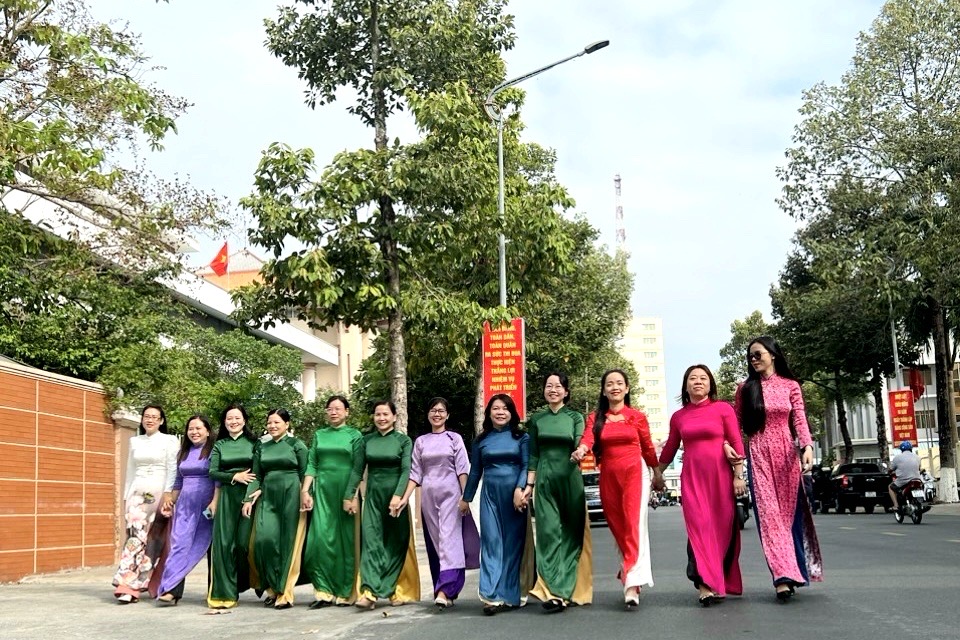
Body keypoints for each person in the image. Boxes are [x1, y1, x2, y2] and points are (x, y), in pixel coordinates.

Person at [735, 336, 823, 602]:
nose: (754, 360)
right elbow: (736, 425)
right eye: (750, 356)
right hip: (759, 453)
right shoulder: (745, 389)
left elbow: (799, 418)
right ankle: (782, 577)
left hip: (786, 454)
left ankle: (794, 569)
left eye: (758, 354)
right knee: (769, 517)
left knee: (788, 516)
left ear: (772, 354)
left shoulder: (790, 386)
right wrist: (735, 456)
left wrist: (807, 446)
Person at [657, 365, 745, 606]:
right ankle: (704, 584)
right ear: (685, 386)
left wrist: (738, 476)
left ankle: (718, 579)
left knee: (721, 529)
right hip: (693, 480)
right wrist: (657, 473)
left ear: (710, 384)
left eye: (703, 378)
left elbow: (736, 442)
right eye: (693, 378)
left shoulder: (723, 409)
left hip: (721, 478)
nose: (698, 381)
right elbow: (670, 447)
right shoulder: (679, 417)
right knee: (699, 528)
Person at [573, 369, 662, 609]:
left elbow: (647, 447)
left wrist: (657, 473)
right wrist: (581, 450)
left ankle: (631, 583)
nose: (615, 387)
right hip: (609, 475)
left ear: (626, 388)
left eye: (619, 383)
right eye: (610, 384)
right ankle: (632, 571)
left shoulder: (637, 416)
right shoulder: (596, 418)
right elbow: (588, 439)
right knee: (618, 526)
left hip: (635, 473)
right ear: (604, 390)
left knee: (633, 524)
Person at [397, 397, 479, 610]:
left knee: (450, 540)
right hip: (428, 497)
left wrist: (466, 496)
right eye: (433, 410)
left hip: (451, 496)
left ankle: (445, 590)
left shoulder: (454, 438)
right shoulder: (421, 441)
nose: (437, 414)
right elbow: (415, 473)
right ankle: (443, 591)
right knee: (436, 543)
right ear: (428, 414)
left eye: (441, 411)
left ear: (447, 415)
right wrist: (404, 498)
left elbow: (462, 469)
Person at [523, 372, 592, 612]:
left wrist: (579, 451)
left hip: (570, 479)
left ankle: (565, 589)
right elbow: (533, 454)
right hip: (544, 481)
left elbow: (580, 441)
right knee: (548, 533)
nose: (553, 390)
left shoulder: (574, 417)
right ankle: (552, 591)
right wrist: (529, 486)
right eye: (549, 386)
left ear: (566, 391)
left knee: (571, 535)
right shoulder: (537, 419)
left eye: (558, 386)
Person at [461, 394, 534, 615]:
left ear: (512, 413)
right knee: (491, 543)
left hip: (514, 497)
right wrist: (466, 498)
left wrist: (520, 489)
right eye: (495, 408)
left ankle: (510, 594)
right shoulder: (481, 440)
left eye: (505, 408)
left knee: (512, 545)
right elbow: (475, 472)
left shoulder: (522, 437)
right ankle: (491, 596)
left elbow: (526, 465)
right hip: (490, 496)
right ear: (489, 413)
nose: (500, 412)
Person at [300, 395, 365, 608]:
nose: (334, 412)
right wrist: (305, 490)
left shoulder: (355, 435)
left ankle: (346, 592)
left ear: (347, 412)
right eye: (330, 409)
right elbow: (312, 463)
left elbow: (358, 468)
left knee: (346, 542)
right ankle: (323, 591)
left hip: (346, 491)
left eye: (338, 408)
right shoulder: (319, 434)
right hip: (322, 492)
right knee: (318, 541)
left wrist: (351, 495)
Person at [356, 400, 421, 609]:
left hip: (396, 499)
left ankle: (393, 589)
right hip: (373, 498)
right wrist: (349, 495)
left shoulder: (403, 441)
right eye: (378, 414)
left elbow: (406, 470)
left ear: (394, 417)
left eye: (385, 414)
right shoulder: (366, 441)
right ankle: (369, 592)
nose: (381, 418)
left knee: (396, 544)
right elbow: (357, 470)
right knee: (371, 543)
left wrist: (398, 495)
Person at [241, 408, 308, 609]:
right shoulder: (262, 447)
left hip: (291, 495)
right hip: (267, 496)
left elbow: (306, 473)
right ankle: (270, 586)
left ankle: (284, 592)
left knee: (287, 544)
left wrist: (306, 495)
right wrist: (248, 499)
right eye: (269, 422)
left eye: (277, 422)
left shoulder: (297, 445)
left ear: (287, 424)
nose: (272, 426)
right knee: (263, 541)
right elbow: (256, 476)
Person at [112, 405, 179, 604]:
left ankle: (140, 582)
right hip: (137, 492)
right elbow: (130, 470)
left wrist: (168, 494)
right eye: (147, 416)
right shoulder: (135, 441)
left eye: (154, 417)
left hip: (158, 492)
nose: (150, 420)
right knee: (134, 537)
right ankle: (127, 584)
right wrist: (126, 496)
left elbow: (172, 469)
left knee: (153, 539)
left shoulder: (170, 440)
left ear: (161, 421)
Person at [154, 415, 217, 605]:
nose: (194, 432)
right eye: (191, 429)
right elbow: (178, 481)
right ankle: (171, 590)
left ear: (207, 431)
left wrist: (215, 501)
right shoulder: (183, 452)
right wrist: (170, 501)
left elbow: (218, 479)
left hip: (207, 506)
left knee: (210, 549)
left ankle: (215, 592)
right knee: (179, 546)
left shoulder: (214, 450)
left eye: (198, 428)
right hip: (185, 507)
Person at [207, 404, 257, 608]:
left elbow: (259, 471)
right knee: (224, 545)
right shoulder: (220, 445)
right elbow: (213, 472)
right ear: (224, 422)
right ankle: (225, 593)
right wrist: (234, 476)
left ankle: (246, 581)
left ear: (244, 421)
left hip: (249, 497)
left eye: (237, 418)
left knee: (244, 544)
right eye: (229, 418)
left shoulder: (254, 443)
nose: (233, 421)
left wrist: (250, 497)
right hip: (227, 497)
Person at [888, 441, 922, 511]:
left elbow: (891, 469)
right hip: (917, 479)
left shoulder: (897, 458)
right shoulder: (917, 457)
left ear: (901, 449)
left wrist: (889, 472)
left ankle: (896, 505)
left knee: (890, 487)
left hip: (904, 480)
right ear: (911, 448)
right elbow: (919, 468)